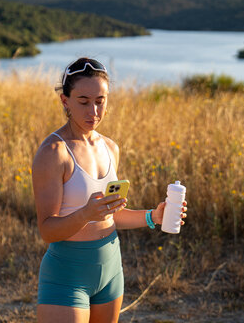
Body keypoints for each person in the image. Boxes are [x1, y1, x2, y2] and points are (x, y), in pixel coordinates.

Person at [31, 57, 187, 323]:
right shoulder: (54, 152)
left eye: (100, 101)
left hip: (111, 270)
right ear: (65, 101)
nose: (93, 111)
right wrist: (85, 214)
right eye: (83, 101)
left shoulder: (110, 148)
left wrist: (154, 216)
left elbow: (111, 215)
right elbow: (47, 230)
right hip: (67, 275)